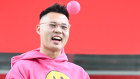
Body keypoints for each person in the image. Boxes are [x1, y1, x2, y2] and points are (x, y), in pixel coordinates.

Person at [6, 3, 90, 79]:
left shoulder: (80, 74)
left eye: (64, 27)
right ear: (39, 29)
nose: (58, 30)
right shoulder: (22, 68)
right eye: (52, 25)